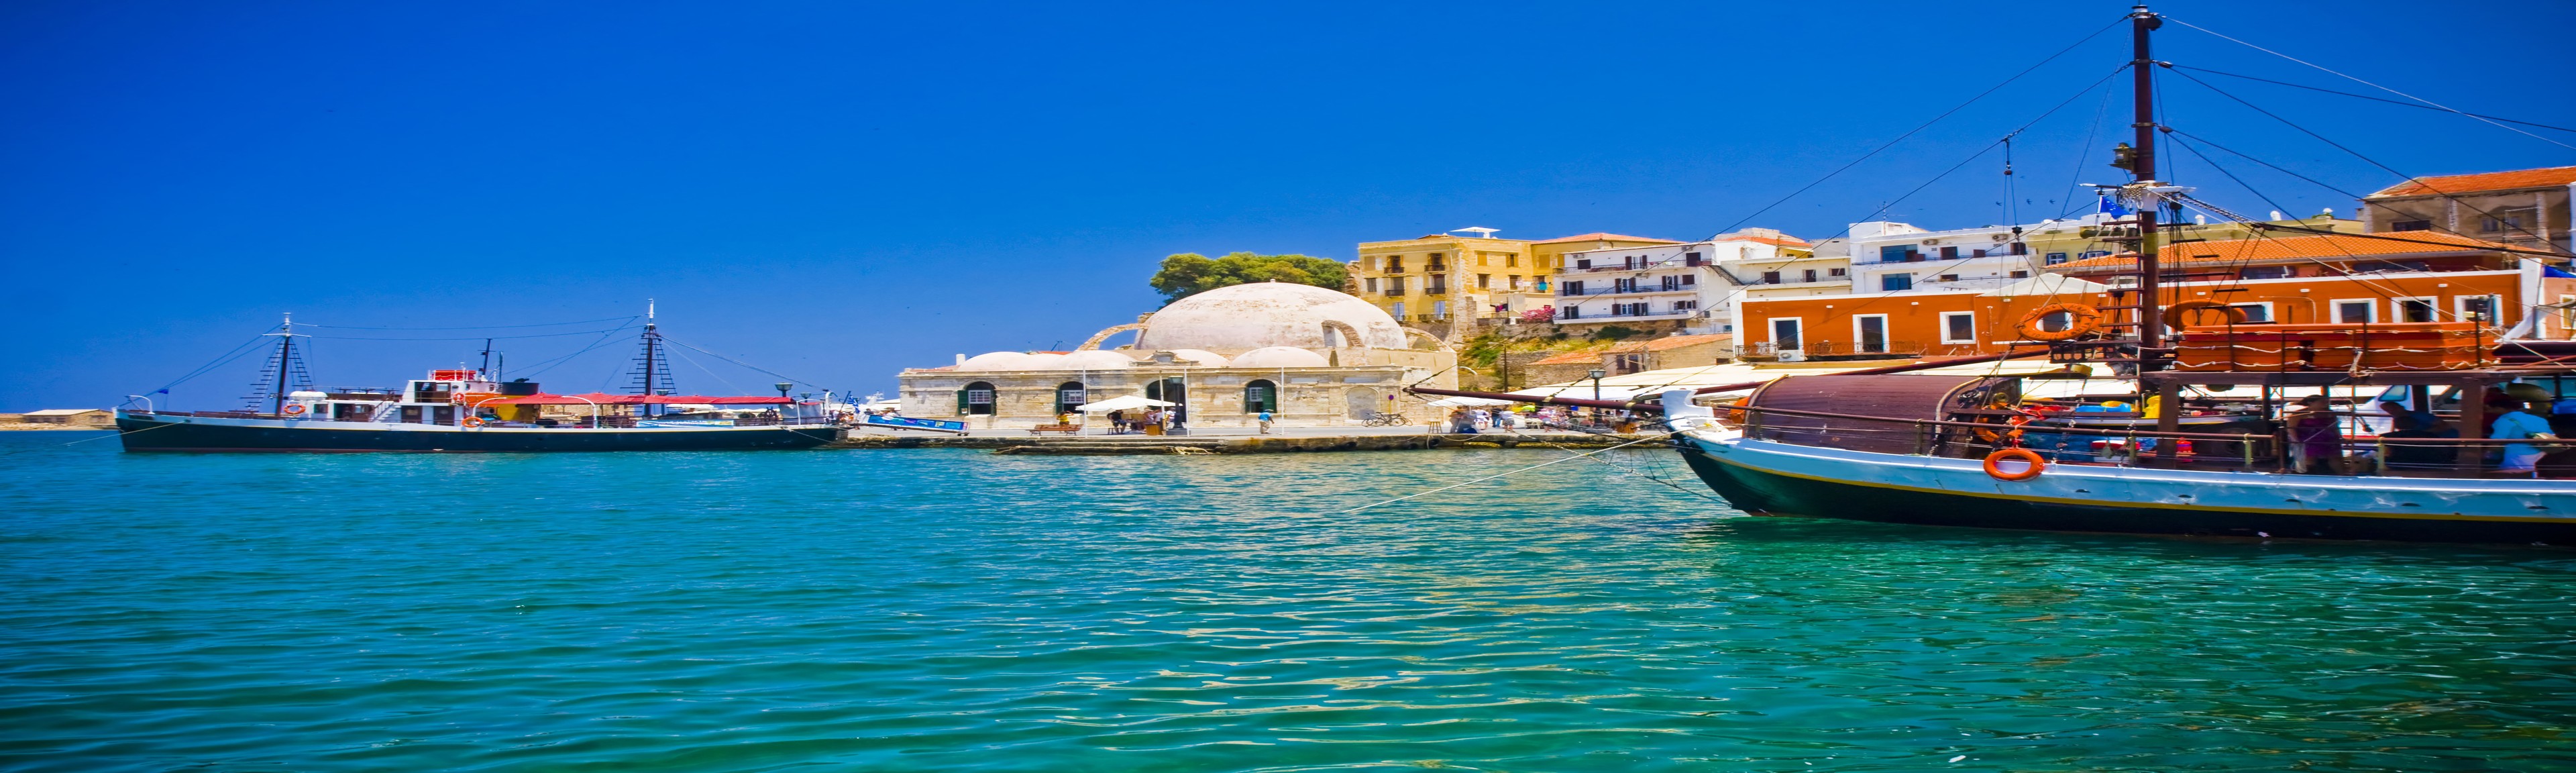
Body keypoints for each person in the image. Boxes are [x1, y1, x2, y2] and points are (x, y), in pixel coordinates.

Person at [2377, 397, 2457, 471]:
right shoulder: (2397, 419)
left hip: (2445, 440)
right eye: (2387, 411)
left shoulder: (2421, 416)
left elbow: (2445, 426)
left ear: (2401, 407)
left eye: (2393, 409)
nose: (2391, 412)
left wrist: (2421, 435)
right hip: (2422, 443)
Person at [2491, 401, 2557, 474]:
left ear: (2499, 408)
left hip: (2519, 454)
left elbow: (2496, 441)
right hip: (2542, 451)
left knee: (2520, 476)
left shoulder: (2504, 420)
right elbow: (2551, 435)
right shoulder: (2538, 419)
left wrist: (2488, 452)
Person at [2286, 395, 2343, 474]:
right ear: (2311, 403)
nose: (2325, 403)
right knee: (2310, 459)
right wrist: (2296, 441)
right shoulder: (2299, 414)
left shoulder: (2330, 413)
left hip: (2329, 439)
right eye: (2322, 402)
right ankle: (2309, 475)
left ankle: (2342, 475)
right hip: (2309, 439)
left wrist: (2340, 437)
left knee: (2336, 458)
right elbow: (2291, 428)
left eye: (2327, 402)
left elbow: (2335, 427)